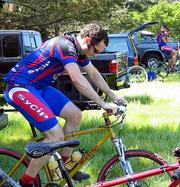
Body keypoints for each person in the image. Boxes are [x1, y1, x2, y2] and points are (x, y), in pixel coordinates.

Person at [4, 23, 124, 187]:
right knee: (55, 135)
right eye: (95, 50)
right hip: (20, 86)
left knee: (75, 115)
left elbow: (94, 73)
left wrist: (113, 96)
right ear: (87, 40)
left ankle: (65, 167)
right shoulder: (65, 45)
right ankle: (26, 182)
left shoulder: (80, 51)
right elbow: (77, 79)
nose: (94, 54)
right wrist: (102, 103)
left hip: (40, 87)